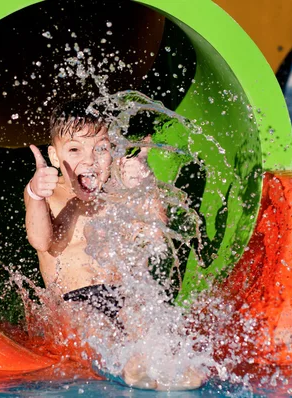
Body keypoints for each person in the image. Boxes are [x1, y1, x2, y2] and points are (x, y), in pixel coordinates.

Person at [24, 100, 205, 390]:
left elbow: (155, 237)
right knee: (93, 323)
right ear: (54, 157)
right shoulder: (48, 192)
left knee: (141, 316)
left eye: (101, 149)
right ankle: (127, 366)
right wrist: (33, 192)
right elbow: (40, 240)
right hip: (73, 300)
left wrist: (146, 187)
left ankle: (173, 363)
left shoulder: (119, 192)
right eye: (74, 150)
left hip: (122, 292)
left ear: (114, 151)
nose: (90, 160)